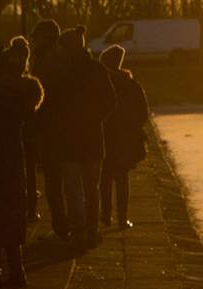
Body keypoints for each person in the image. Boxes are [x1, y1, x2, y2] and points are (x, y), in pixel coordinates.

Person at [47, 27, 112, 246]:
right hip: (93, 138)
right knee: (92, 188)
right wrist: (95, 118)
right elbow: (111, 102)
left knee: (73, 188)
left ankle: (79, 230)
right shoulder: (97, 69)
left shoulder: (60, 73)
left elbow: (52, 107)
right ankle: (92, 229)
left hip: (68, 141)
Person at [0, 38, 44, 288]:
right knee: (13, 210)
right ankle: (17, 269)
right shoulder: (25, 90)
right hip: (13, 155)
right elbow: (31, 112)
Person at [97, 44, 148, 230]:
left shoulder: (100, 84)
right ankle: (122, 218)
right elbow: (143, 112)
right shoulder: (131, 84)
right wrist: (133, 127)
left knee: (105, 177)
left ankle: (105, 215)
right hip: (125, 139)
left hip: (105, 137)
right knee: (122, 179)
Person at [25, 20, 58, 234]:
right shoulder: (54, 57)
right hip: (48, 126)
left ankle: (58, 223)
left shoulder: (44, 61)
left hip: (43, 126)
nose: (33, 43)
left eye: (36, 38)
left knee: (46, 174)